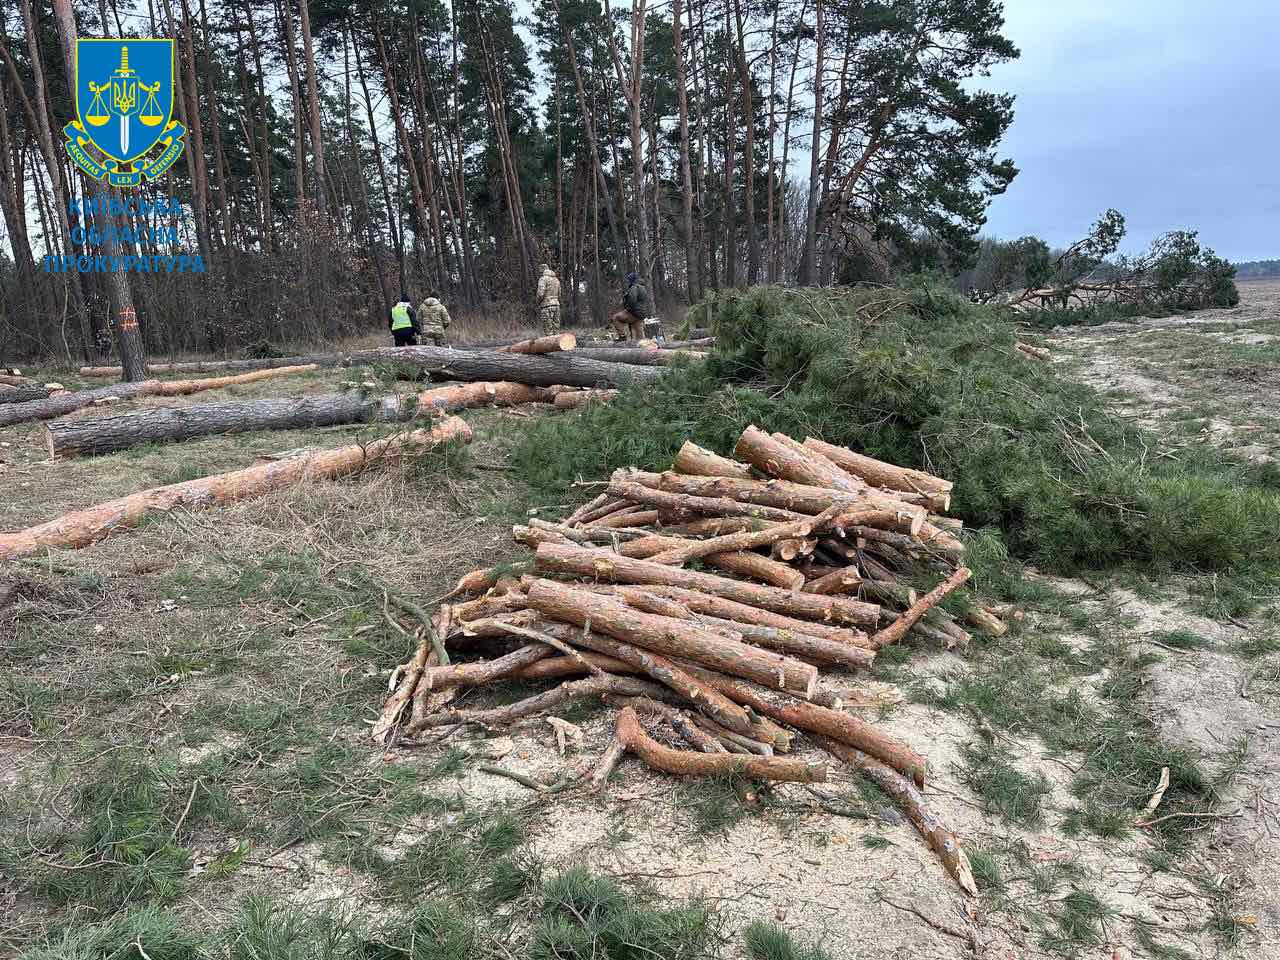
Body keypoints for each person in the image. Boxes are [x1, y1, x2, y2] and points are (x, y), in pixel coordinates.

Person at [611, 270, 647, 341]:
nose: (628, 281)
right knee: (640, 338)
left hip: (634, 312)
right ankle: (645, 349)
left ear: (632, 279)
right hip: (641, 314)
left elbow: (632, 300)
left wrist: (627, 307)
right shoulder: (642, 287)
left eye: (629, 280)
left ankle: (622, 337)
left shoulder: (634, 287)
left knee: (616, 318)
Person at [535, 263, 561, 335]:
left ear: (543, 270)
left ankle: (549, 345)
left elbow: (540, 293)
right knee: (556, 329)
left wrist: (538, 302)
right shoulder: (556, 280)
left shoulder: (543, 279)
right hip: (556, 305)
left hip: (547, 306)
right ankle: (557, 345)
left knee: (548, 330)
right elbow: (559, 294)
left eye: (540, 271)